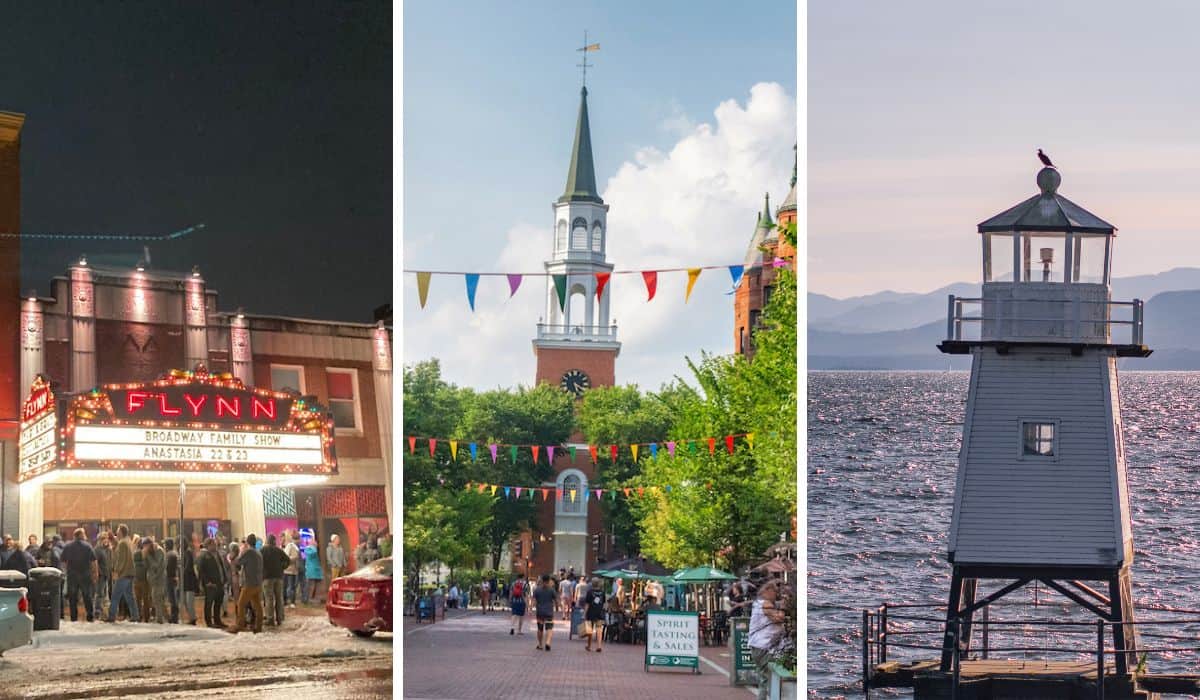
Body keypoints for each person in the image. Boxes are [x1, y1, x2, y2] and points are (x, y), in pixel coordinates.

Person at [747, 581, 787, 700]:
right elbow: (779, 618)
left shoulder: (761, 603)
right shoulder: (765, 604)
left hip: (761, 645)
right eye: (775, 591)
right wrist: (783, 609)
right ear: (768, 591)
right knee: (773, 674)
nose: (777, 594)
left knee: (764, 678)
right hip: (763, 646)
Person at [60, 528, 97, 622]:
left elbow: (63, 561)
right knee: (87, 596)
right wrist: (95, 573)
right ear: (81, 535)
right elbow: (93, 561)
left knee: (73, 597)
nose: (85, 536)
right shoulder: (88, 546)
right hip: (85, 574)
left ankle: (74, 617)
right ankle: (90, 616)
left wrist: (68, 570)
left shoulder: (68, 546)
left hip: (72, 575)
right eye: (84, 534)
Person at [232, 534, 264, 633]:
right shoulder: (258, 553)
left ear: (247, 542)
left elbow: (237, 562)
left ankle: (240, 625)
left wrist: (240, 553)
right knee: (258, 606)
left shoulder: (249, 552)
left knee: (241, 604)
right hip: (258, 582)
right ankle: (258, 626)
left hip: (249, 583)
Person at [107, 525, 139, 623]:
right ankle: (135, 616)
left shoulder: (122, 543)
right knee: (130, 596)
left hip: (123, 574)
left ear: (121, 532)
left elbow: (121, 559)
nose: (116, 532)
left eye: (118, 530)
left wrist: (116, 571)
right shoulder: (128, 541)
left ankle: (111, 616)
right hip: (130, 573)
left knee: (115, 596)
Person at [196, 538, 225, 628]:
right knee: (209, 603)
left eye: (215, 545)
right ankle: (209, 622)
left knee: (218, 602)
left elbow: (221, 566)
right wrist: (207, 582)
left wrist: (224, 579)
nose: (215, 546)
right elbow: (201, 569)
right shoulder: (203, 555)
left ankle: (217, 620)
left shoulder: (216, 554)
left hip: (219, 582)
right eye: (213, 545)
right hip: (210, 584)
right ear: (208, 545)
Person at [261, 534, 289, 626]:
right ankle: (280, 618)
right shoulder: (278, 550)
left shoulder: (263, 550)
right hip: (279, 576)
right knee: (279, 598)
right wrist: (282, 567)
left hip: (267, 577)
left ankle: (270, 619)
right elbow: (287, 560)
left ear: (267, 541)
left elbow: (258, 561)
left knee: (269, 598)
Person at [532, 574, 558, 651]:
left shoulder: (537, 590)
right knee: (549, 628)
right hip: (549, 612)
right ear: (549, 580)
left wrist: (531, 609)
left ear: (542, 580)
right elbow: (556, 600)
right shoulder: (552, 590)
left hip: (540, 612)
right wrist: (556, 608)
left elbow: (534, 601)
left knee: (540, 628)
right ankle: (548, 642)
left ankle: (540, 644)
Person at [144, 538, 167, 624]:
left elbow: (156, 565)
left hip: (159, 579)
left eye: (146, 546)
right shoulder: (151, 551)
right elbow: (147, 566)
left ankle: (160, 619)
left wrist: (148, 556)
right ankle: (161, 617)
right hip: (154, 580)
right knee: (156, 599)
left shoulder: (159, 551)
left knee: (157, 598)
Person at [181, 534, 200, 625]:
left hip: (189, 580)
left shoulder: (187, 552)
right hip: (185, 580)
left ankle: (192, 618)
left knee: (189, 601)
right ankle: (191, 617)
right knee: (185, 601)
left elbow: (188, 566)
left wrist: (182, 571)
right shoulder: (184, 552)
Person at [584, 577, 606, 652]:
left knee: (589, 630)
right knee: (599, 629)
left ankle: (589, 646)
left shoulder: (589, 592)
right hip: (599, 612)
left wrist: (584, 613)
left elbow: (587, 604)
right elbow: (603, 603)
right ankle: (599, 646)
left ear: (592, 584)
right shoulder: (602, 592)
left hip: (590, 613)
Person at [94, 533, 112, 620]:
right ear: (100, 540)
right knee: (100, 594)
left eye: (107, 538)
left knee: (104, 594)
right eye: (104, 538)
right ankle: (97, 611)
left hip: (106, 575)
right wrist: (97, 573)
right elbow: (95, 562)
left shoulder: (106, 550)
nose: (106, 540)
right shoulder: (98, 550)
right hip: (101, 575)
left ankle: (103, 612)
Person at [164, 539, 180, 623]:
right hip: (172, 577)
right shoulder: (173, 554)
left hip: (170, 578)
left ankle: (174, 617)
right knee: (173, 598)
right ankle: (174, 616)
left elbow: (169, 568)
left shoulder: (170, 555)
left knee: (172, 598)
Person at [283, 531, 300, 608]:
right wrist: (294, 558)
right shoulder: (290, 546)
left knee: (291, 586)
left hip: (292, 570)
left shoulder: (295, 547)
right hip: (289, 570)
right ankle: (288, 601)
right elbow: (286, 557)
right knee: (290, 586)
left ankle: (290, 601)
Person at [304, 538, 322, 603]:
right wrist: (314, 547)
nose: (316, 543)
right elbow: (312, 554)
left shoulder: (314, 549)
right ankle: (310, 598)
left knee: (317, 585)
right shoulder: (308, 549)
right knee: (312, 585)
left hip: (316, 570)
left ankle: (316, 598)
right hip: (311, 570)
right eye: (314, 542)